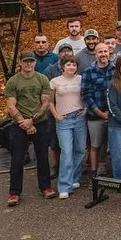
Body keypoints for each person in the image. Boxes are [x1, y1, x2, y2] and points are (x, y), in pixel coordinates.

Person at [4, 51, 56, 206]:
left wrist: (32, 120)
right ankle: (14, 192)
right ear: (20, 62)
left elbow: (46, 103)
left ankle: (45, 187)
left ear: (34, 62)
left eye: (31, 61)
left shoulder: (42, 79)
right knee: (17, 159)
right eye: (25, 61)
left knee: (42, 157)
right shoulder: (13, 82)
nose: (28, 64)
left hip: (40, 122)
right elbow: (10, 105)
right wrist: (24, 123)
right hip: (19, 125)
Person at [48, 55, 86, 198]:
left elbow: (86, 96)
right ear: (62, 66)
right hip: (63, 120)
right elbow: (50, 101)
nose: (72, 67)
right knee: (66, 152)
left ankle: (74, 178)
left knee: (80, 149)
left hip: (79, 117)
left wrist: (86, 109)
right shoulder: (55, 81)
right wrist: (56, 115)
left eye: (74, 65)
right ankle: (64, 185)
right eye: (69, 64)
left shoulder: (81, 79)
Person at [81, 42, 115, 177]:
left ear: (109, 52)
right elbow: (86, 94)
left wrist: (110, 112)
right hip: (95, 114)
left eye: (105, 51)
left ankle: (109, 171)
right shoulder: (88, 71)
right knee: (95, 145)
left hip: (113, 114)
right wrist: (99, 112)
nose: (103, 54)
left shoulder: (115, 69)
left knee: (111, 145)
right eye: (100, 52)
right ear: (95, 54)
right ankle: (94, 175)